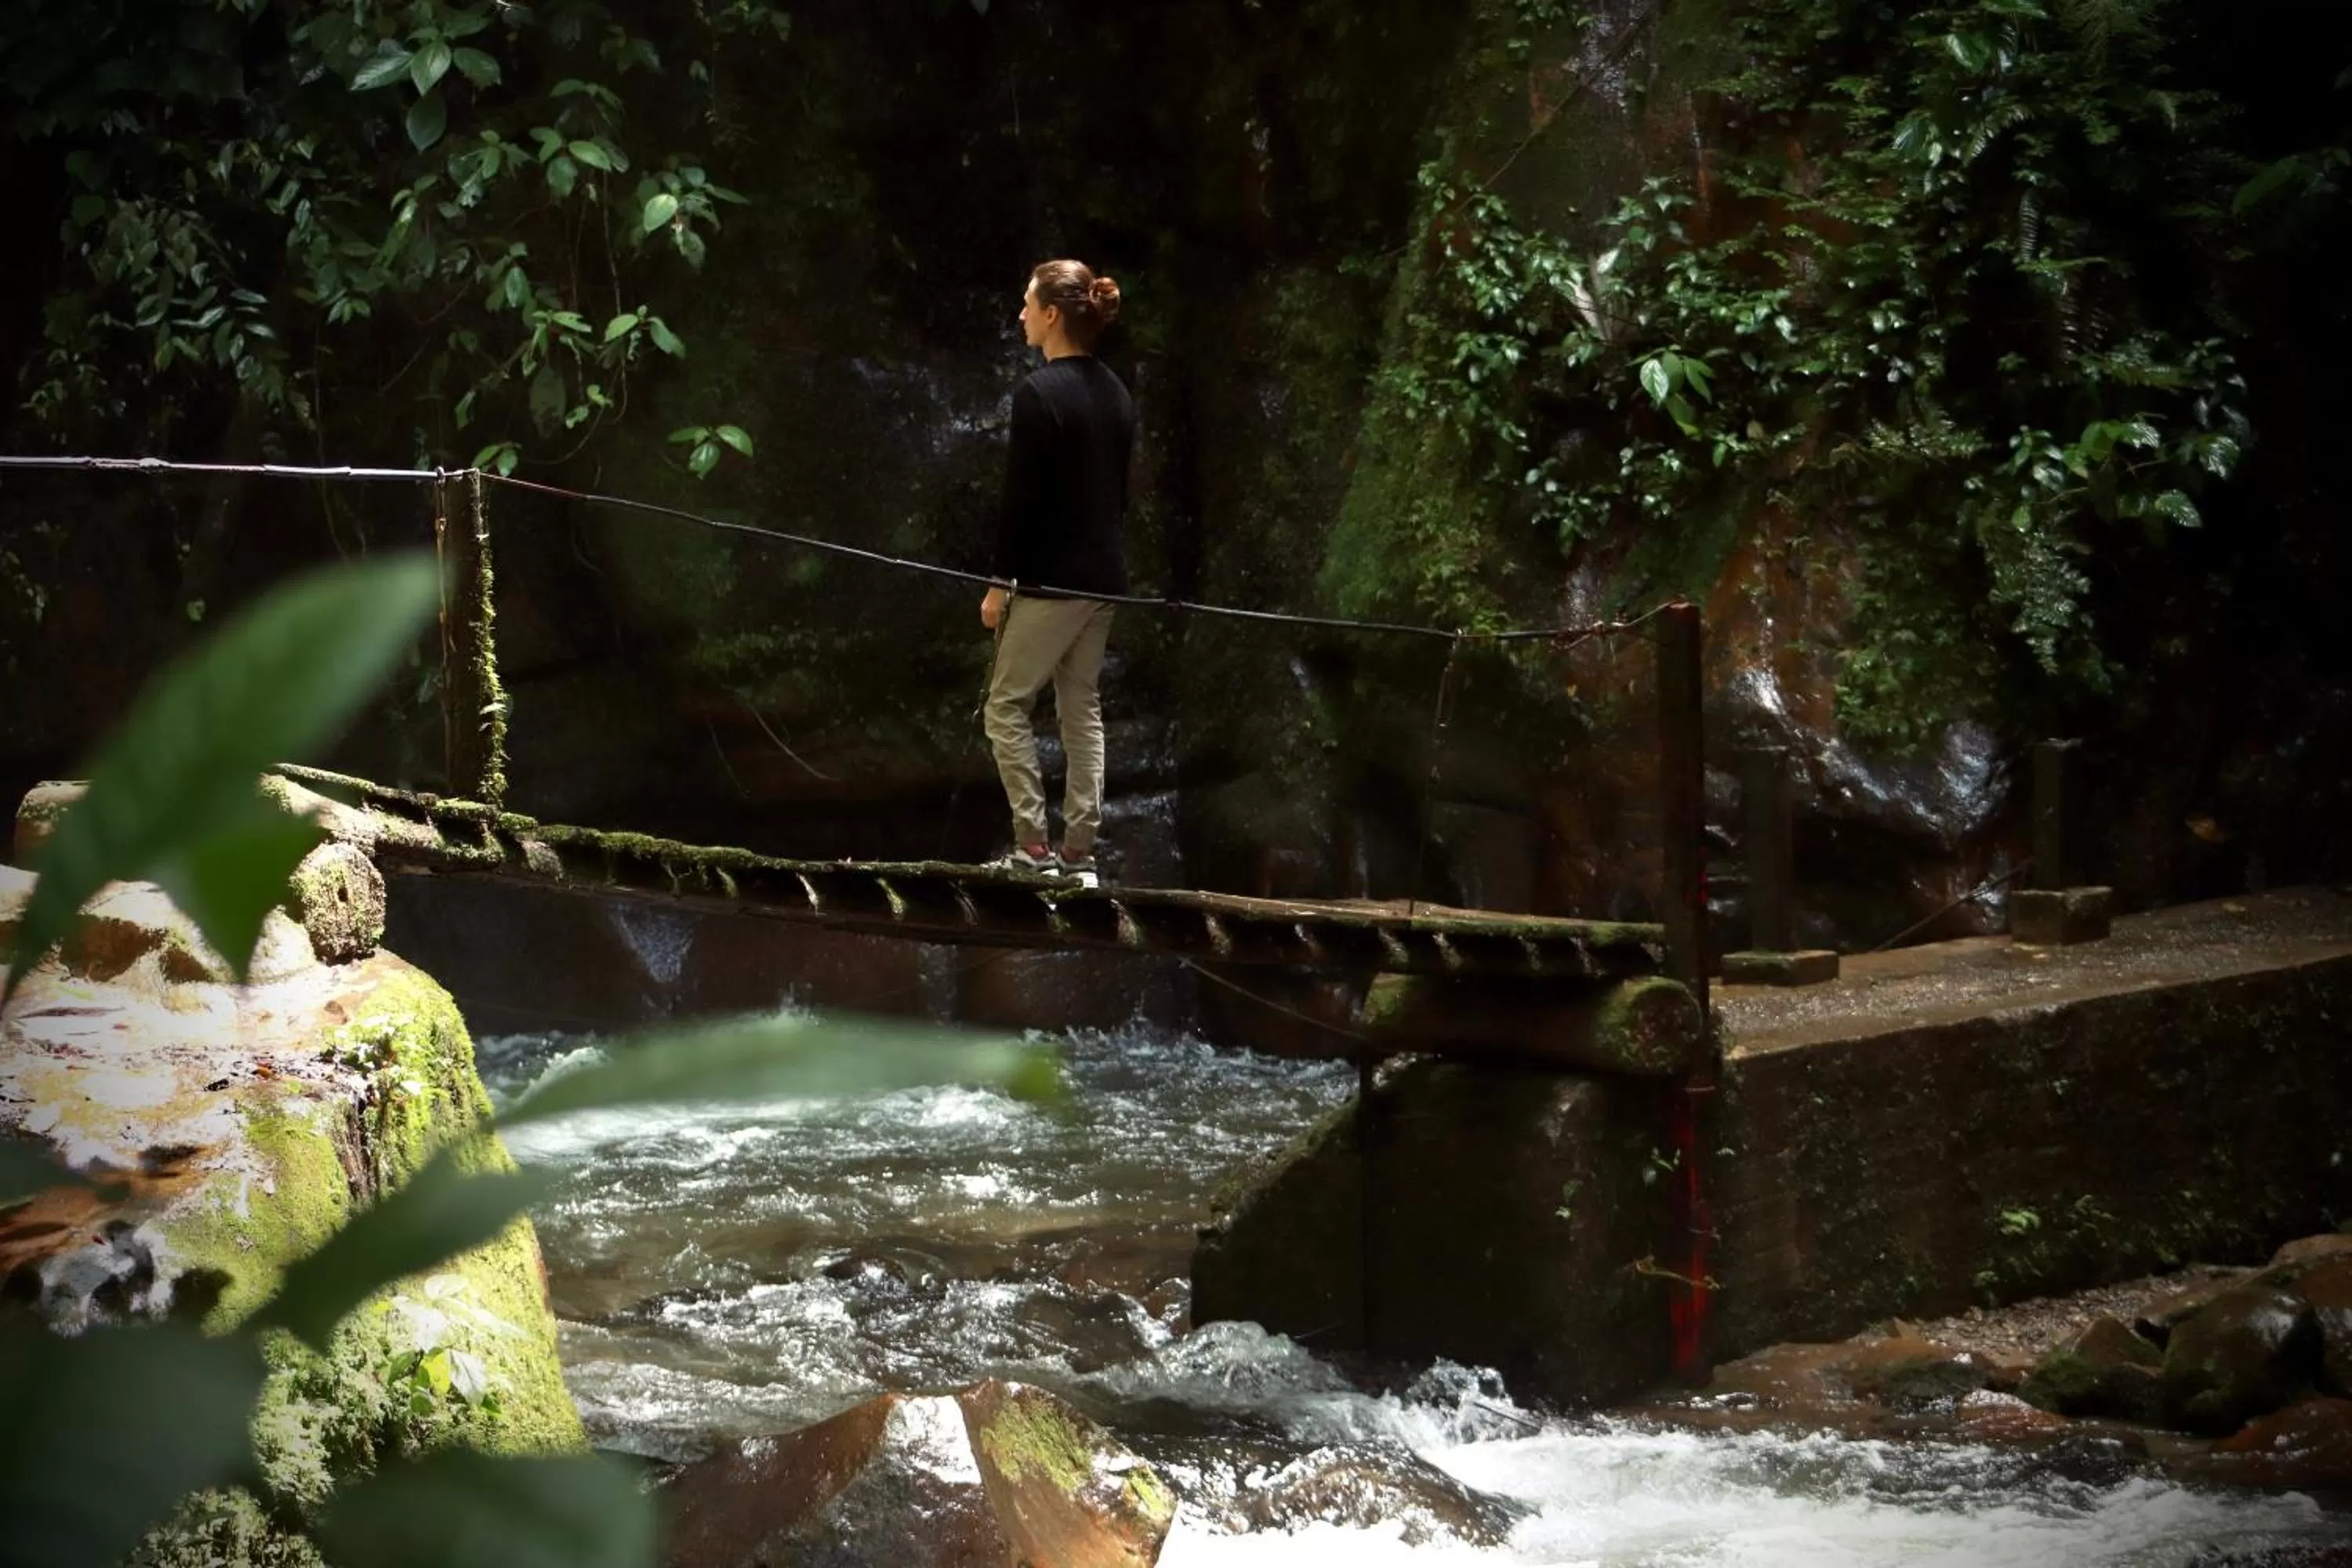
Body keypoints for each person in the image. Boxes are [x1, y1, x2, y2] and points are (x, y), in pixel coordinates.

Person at [980, 259, 1134, 890]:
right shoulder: (1118, 393)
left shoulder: (1037, 394)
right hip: (1104, 580)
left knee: (1004, 707)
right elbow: (1116, 498)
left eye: (1027, 303)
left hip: (1053, 580)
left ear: (1050, 315)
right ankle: (1079, 857)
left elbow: (1022, 500)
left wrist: (1000, 584)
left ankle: (1033, 849)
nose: (1020, 314)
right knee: (1081, 709)